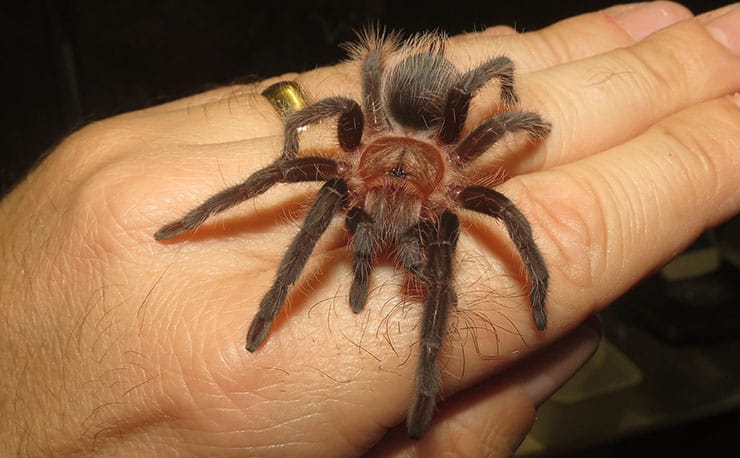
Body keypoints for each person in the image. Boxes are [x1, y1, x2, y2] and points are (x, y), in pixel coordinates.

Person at [1, 1, 739, 455]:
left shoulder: (457, 164)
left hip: (433, 149)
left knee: (480, 240)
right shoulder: (350, 151)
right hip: (385, 139)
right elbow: (316, 125)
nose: (383, 207)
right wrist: (285, 148)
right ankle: (248, 282)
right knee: (286, 190)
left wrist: (535, 280)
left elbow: (515, 127)